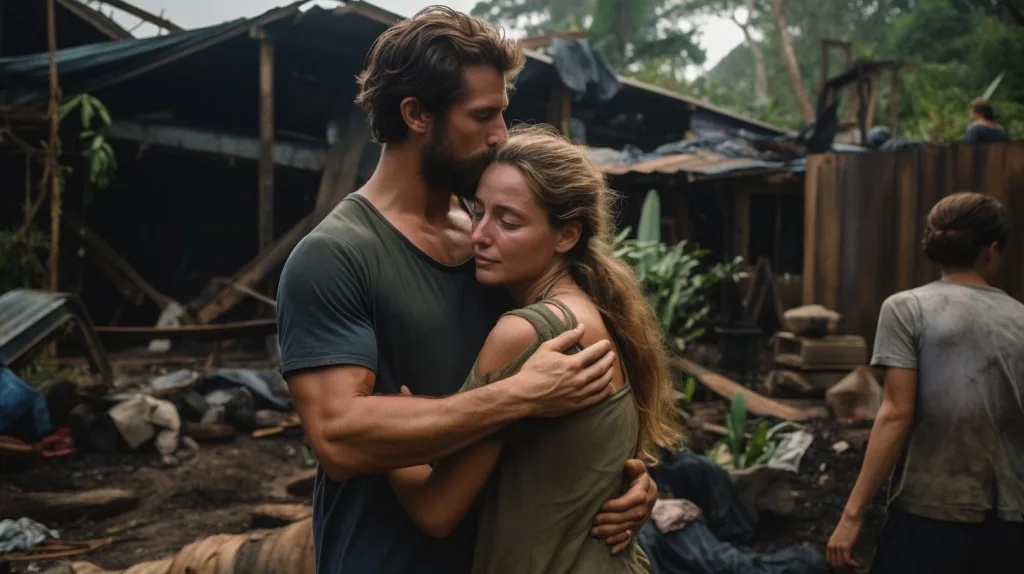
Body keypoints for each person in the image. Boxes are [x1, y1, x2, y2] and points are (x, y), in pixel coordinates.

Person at [275, 7, 658, 574]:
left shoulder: (499, 246)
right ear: (416, 114)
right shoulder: (335, 256)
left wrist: (620, 473)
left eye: (503, 113)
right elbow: (338, 438)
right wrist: (516, 396)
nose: (501, 134)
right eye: (483, 115)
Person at [386, 124, 681, 573]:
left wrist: (389, 429)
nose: (479, 235)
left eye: (508, 222)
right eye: (477, 210)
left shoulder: (527, 333)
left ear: (566, 236)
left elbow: (436, 510)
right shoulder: (597, 311)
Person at [826, 191, 1024, 573]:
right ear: (992, 250)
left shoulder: (907, 308)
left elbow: (896, 415)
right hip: (1011, 520)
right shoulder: (1020, 317)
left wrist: (852, 517)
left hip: (930, 509)